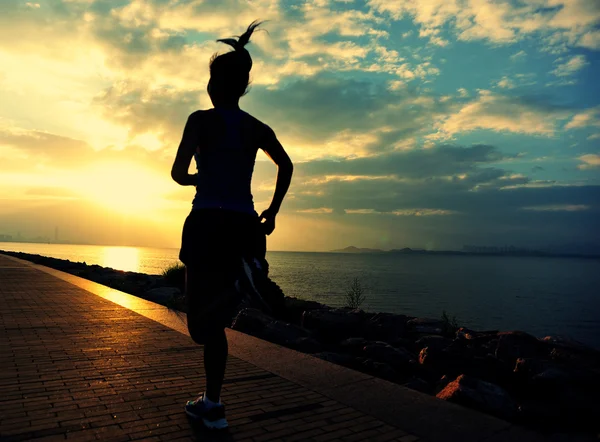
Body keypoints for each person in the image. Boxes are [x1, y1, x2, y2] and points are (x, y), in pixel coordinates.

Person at [170, 20, 293, 430]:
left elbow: (177, 171)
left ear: (213, 85)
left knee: (200, 327)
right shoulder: (257, 127)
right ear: (242, 88)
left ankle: (241, 285)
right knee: (217, 324)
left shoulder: (199, 120)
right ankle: (213, 405)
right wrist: (272, 212)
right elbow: (287, 164)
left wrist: (194, 179)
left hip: (207, 221)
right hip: (245, 227)